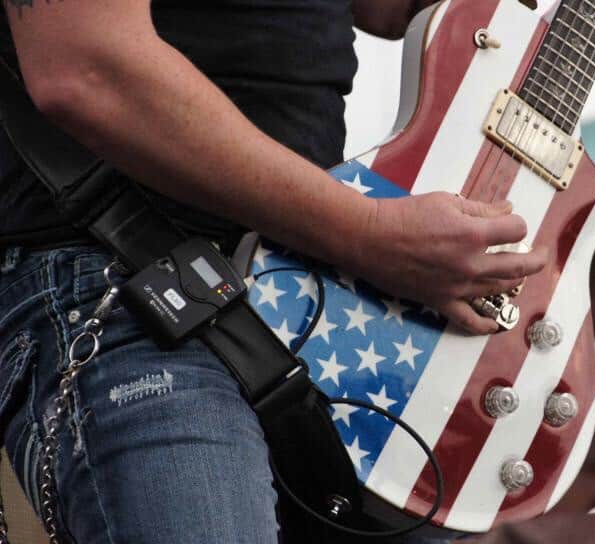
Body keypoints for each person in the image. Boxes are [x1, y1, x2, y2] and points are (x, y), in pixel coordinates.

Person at [0, 0, 548, 542]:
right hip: (127, 282)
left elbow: (396, 11)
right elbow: (87, 69)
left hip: (304, 291)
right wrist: (370, 231)